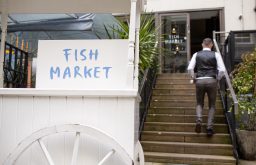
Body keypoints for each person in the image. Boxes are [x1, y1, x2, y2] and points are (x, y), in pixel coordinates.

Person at [187, 38, 225, 137]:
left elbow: (190, 68)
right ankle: (209, 128)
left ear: (202, 44)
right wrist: (218, 79)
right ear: (211, 45)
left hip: (200, 80)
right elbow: (222, 70)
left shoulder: (196, 54)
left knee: (199, 103)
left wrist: (193, 77)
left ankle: (199, 120)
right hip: (212, 80)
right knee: (212, 105)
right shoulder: (216, 54)